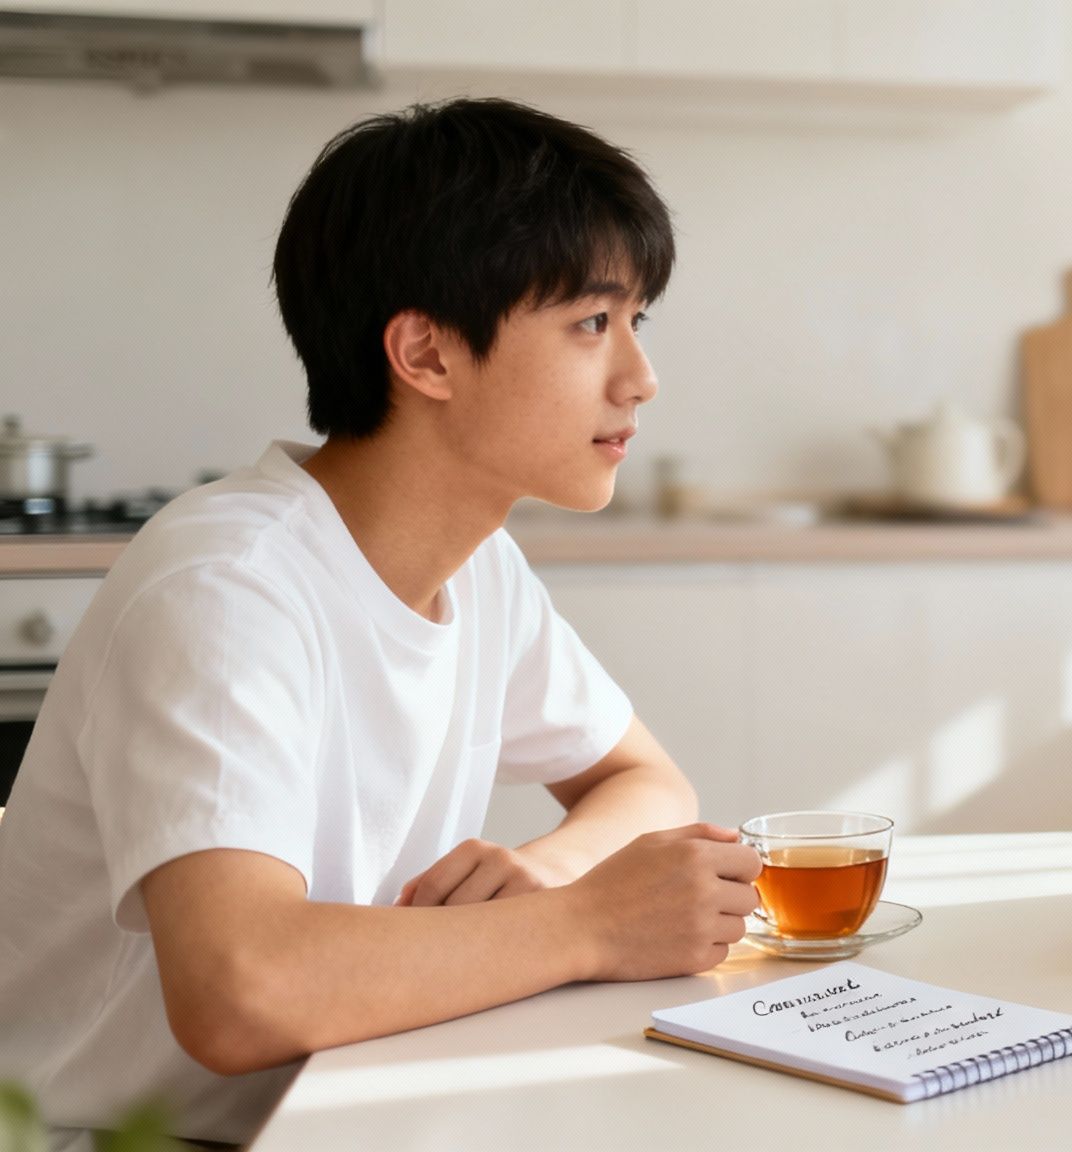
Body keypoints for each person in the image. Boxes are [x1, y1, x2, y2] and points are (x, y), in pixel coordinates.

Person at [0, 99, 763, 1149]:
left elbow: (644, 784)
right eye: (592, 324)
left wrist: (549, 868)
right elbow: (240, 992)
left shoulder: (479, 567)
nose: (640, 376)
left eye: (637, 322)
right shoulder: (229, 589)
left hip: (323, 1104)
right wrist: (585, 924)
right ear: (427, 355)